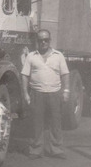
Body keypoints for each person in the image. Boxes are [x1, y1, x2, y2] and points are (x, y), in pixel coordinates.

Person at [21, 29, 70, 159]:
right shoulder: (31, 56)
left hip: (55, 93)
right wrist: (26, 93)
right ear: (37, 41)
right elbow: (25, 76)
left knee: (56, 122)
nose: (43, 42)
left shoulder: (58, 56)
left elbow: (65, 74)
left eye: (46, 40)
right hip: (37, 93)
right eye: (41, 40)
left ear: (50, 41)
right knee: (37, 123)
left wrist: (66, 91)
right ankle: (36, 150)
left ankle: (56, 149)